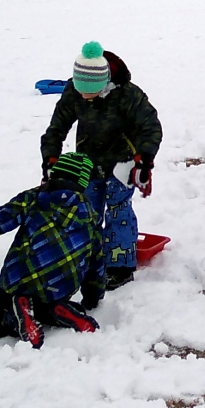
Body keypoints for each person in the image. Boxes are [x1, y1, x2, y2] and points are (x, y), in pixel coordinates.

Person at [0, 151, 105, 348]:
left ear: (54, 174)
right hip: (61, 288)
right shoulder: (91, 216)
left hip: (21, 281)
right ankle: (54, 310)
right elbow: (96, 262)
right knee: (49, 298)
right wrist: (93, 297)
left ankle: (14, 314)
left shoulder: (34, 198)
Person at [41, 41, 163, 290]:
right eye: (80, 90)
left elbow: (150, 127)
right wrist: (51, 158)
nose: (84, 96)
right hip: (87, 162)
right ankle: (88, 258)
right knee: (86, 211)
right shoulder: (75, 91)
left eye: (90, 91)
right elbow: (57, 127)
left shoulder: (127, 95)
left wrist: (143, 161)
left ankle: (120, 266)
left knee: (119, 211)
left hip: (121, 163)